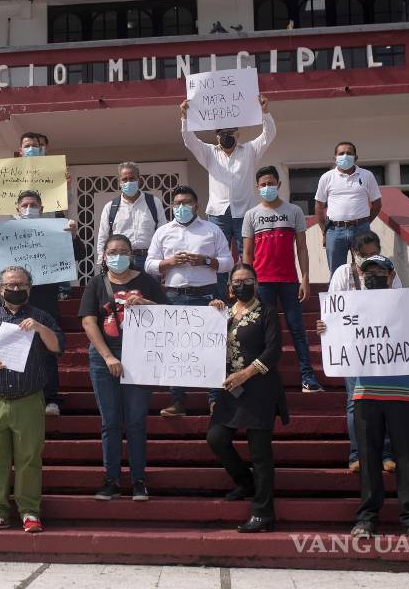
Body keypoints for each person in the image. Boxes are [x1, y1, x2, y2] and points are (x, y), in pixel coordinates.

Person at [317, 255, 409, 542]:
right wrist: (327, 330)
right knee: (369, 458)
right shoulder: (349, 307)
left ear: (390, 274)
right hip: (365, 392)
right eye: (368, 271)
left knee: (406, 458)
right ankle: (367, 516)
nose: (373, 275)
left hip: (403, 393)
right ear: (360, 274)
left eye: (379, 271)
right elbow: (340, 341)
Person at [0, 265, 65, 534]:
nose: (16, 289)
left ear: (29, 289)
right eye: (10, 285)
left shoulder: (40, 317)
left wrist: (40, 328)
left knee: (29, 458)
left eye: (21, 285)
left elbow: (57, 346)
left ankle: (29, 511)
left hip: (28, 399)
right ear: (0, 289)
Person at [0, 190, 84, 416]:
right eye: (24, 204)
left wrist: (73, 236)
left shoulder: (55, 229)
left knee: (46, 351)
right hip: (11, 303)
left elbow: (80, 253)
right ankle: (11, 393)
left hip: (44, 300)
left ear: (42, 209)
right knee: (11, 348)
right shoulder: (3, 232)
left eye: (34, 204)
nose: (29, 208)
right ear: (17, 208)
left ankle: (50, 398)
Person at [80, 234, 168, 501]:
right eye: (112, 252)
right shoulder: (96, 283)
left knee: (136, 420)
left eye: (122, 251)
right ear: (104, 256)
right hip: (104, 358)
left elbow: (171, 316)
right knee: (110, 421)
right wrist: (107, 357)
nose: (117, 256)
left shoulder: (146, 282)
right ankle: (111, 479)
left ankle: (139, 480)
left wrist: (147, 304)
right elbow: (88, 322)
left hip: (140, 357)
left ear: (131, 254)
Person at [206, 263, 287, 533]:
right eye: (237, 281)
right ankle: (246, 482)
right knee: (216, 438)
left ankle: (263, 513)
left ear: (256, 283)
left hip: (260, 389)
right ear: (229, 286)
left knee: (260, 453)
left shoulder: (267, 313)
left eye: (247, 280)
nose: (242, 285)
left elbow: (273, 352)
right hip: (229, 390)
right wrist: (211, 316)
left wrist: (247, 374)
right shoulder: (223, 314)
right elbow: (211, 353)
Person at [145, 185, 232, 417]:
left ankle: (215, 400)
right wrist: (169, 262)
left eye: (186, 203)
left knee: (211, 349)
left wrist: (205, 260)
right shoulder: (163, 231)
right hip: (173, 297)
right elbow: (149, 265)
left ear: (196, 206)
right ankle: (178, 401)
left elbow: (228, 262)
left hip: (207, 296)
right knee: (176, 350)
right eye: (177, 203)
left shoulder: (212, 230)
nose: (181, 207)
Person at [179, 95, 274, 295]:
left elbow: (269, 135)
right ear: (216, 136)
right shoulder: (209, 153)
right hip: (218, 214)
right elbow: (189, 140)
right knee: (219, 258)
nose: (226, 136)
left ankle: (249, 296)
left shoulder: (249, 150)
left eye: (230, 132)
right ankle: (222, 296)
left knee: (248, 257)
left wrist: (265, 112)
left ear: (238, 134)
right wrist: (185, 117)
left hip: (245, 213)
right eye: (221, 133)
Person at [241, 165, 321, 393]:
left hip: (289, 281)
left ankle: (308, 377)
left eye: (271, 183)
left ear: (279, 184)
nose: (267, 187)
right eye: (263, 184)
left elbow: (302, 249)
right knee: (263, 332)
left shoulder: (294, 211)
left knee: (296, 328)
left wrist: (305, 278)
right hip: (262, 283)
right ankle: (261, 379)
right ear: (257, 188)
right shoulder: (251, 215)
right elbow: (247, 253)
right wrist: (250, 282)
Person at [327, 230, 397, 471]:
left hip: (382, 346)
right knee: (354, 401)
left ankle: (386, 453)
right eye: (363, 254)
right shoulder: (343, 274)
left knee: (384, 399)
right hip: (353, 348)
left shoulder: (388, 272)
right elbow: (333, 309)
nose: (368, 258)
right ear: (354, 255)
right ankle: (357, 454)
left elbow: (401, 306)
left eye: (374, 253)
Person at [313, 141, 382, 277]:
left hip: (361, 229)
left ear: (356, 157)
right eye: (341, 153)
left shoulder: (367, 175)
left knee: (366, 269)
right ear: (335, 158)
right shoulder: (327, 177)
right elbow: (319, 206)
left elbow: (377, 204)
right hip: (334, 231)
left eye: (349, 153)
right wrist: (324, 232)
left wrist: (365, 222)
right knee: (336, 273)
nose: (345, 156)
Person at [95, 162, 166, 271]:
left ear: (139, 180)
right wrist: (102, 261)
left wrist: (164, 261)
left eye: (132, 178)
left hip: (149, 260)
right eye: (124, 179)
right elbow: (103, 237)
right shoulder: (110, 207)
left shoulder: (154, 203)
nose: (128, 182)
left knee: (148, 288)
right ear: (119, 182)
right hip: (120, 260)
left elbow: (163, 233)